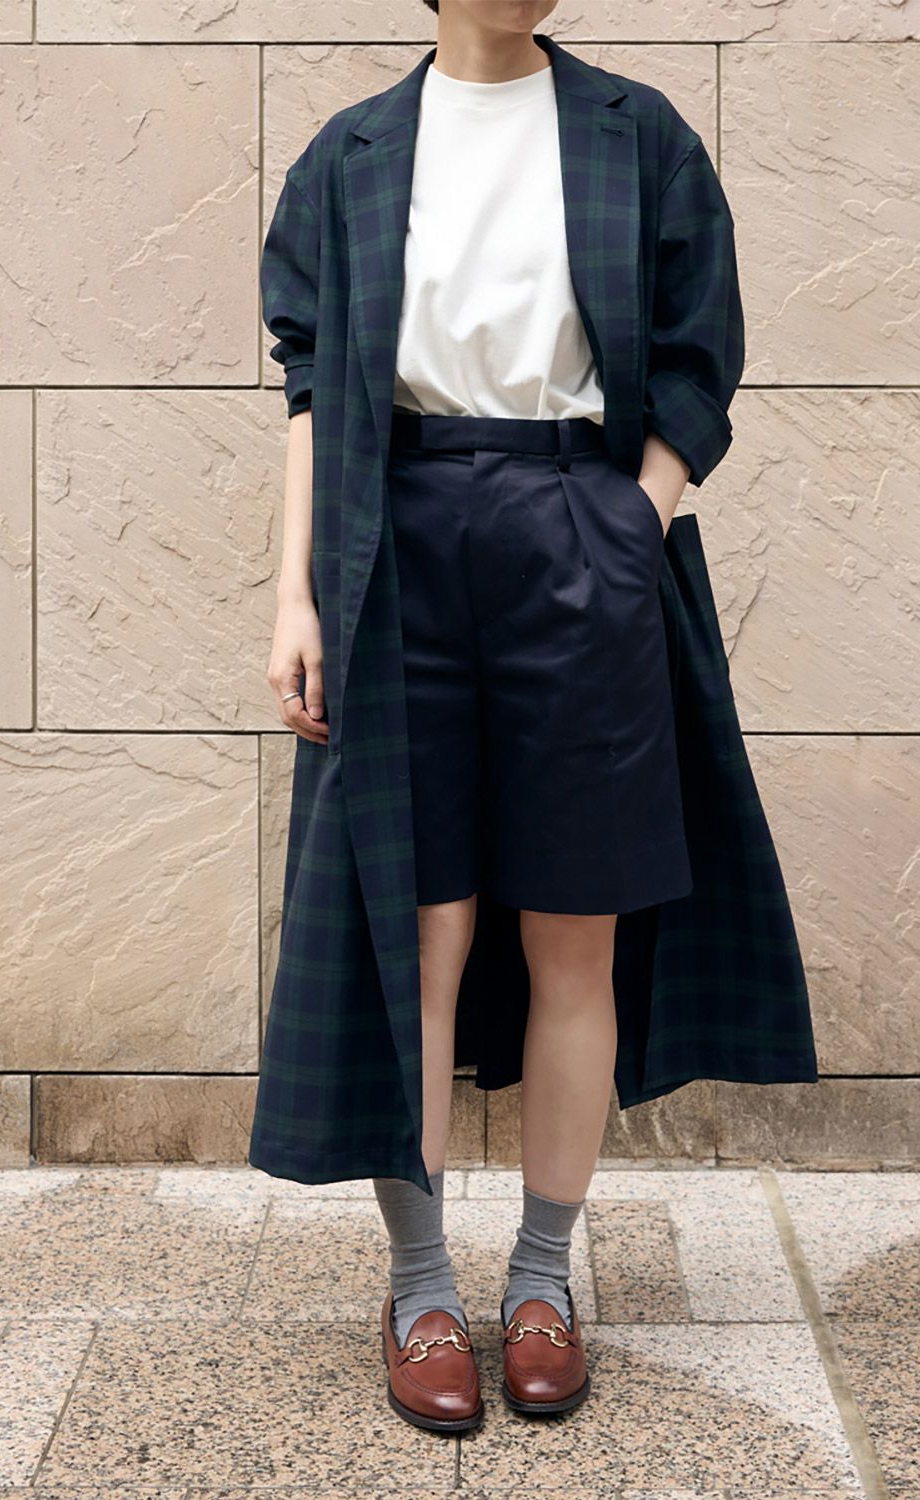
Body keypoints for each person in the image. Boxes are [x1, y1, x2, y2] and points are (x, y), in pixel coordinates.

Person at [252, 0, 819, 1434]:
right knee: (422, 927)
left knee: (577, 927)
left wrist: (634, 522)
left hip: (579, 527)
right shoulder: (351, 155)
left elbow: (698, 355)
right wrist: (295, 595)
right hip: (396, 544)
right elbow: (314, 392)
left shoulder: (638, 136)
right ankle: (421, 1289)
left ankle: (545, 1280)